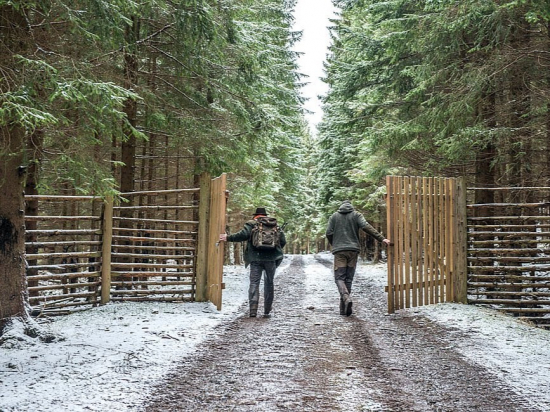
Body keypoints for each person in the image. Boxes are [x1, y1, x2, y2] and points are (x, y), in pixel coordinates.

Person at [326, 200, 391, 316]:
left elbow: (328, 233)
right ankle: (344, 308)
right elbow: (366, 227)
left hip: (340, 251)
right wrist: (382, 238)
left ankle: (345, 299)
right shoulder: (356, 215)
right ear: (351, 206)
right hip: (353, 250)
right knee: (348, 279)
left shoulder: (334, 216)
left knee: (339, 278)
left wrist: (335, 244)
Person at [219, 207, 286, 318]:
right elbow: (283, 241)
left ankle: (253, 310)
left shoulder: (251, 224)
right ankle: (267, 310)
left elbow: (242, 235)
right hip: (271, 259)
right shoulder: (274, 225)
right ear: (265, 215)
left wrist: (228, 238)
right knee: (269, 283)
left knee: (254, 283)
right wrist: (272, 251)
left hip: (255, 258)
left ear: (255, 216)